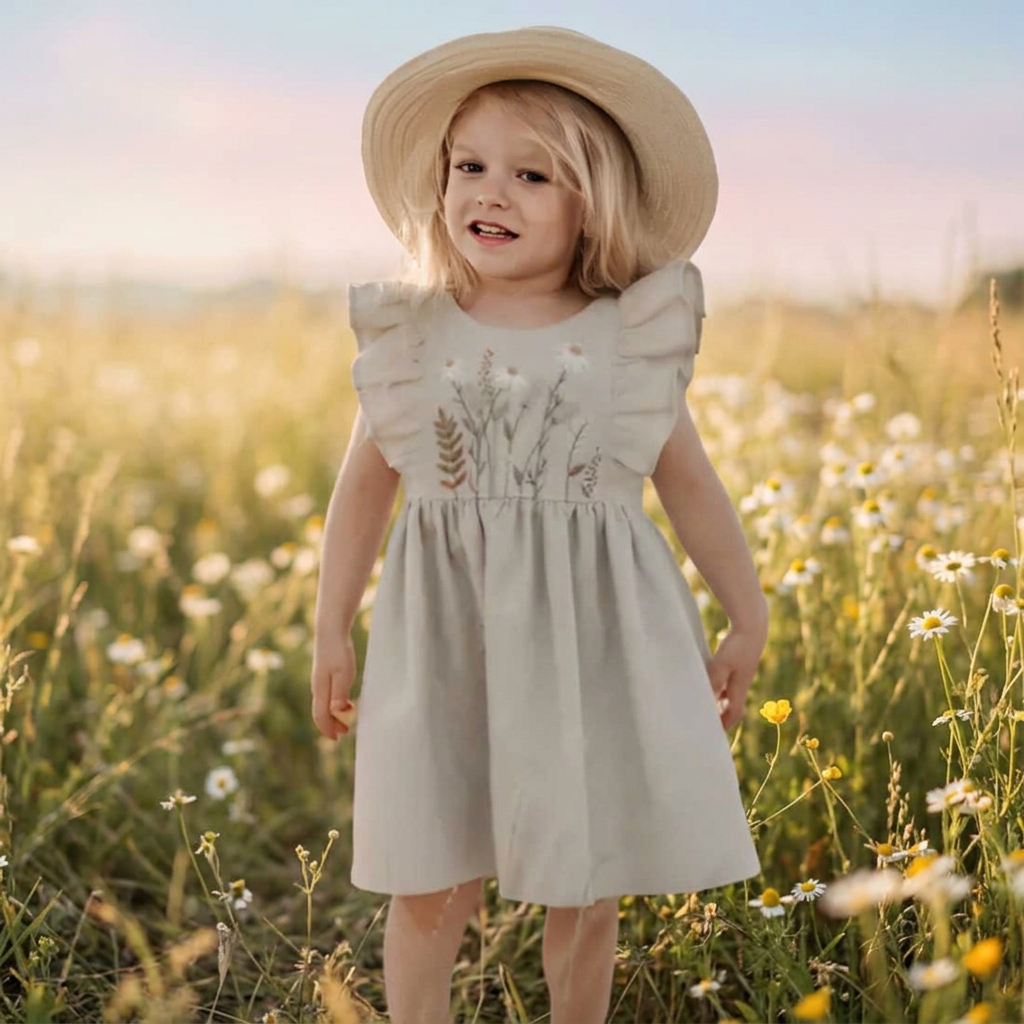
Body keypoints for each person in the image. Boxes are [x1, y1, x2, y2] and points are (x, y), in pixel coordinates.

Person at [311, 26, 767, 1024]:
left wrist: (746, 611)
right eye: (469, 166)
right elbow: (362, 490)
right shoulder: (410, 335)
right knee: (428, 871)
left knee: (583, 873)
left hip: (586, 643)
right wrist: (331, 625)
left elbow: (690, 486)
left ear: (589, 204)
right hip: (444, 643)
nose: (490, 192)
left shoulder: (629, 339)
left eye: (531, 175)